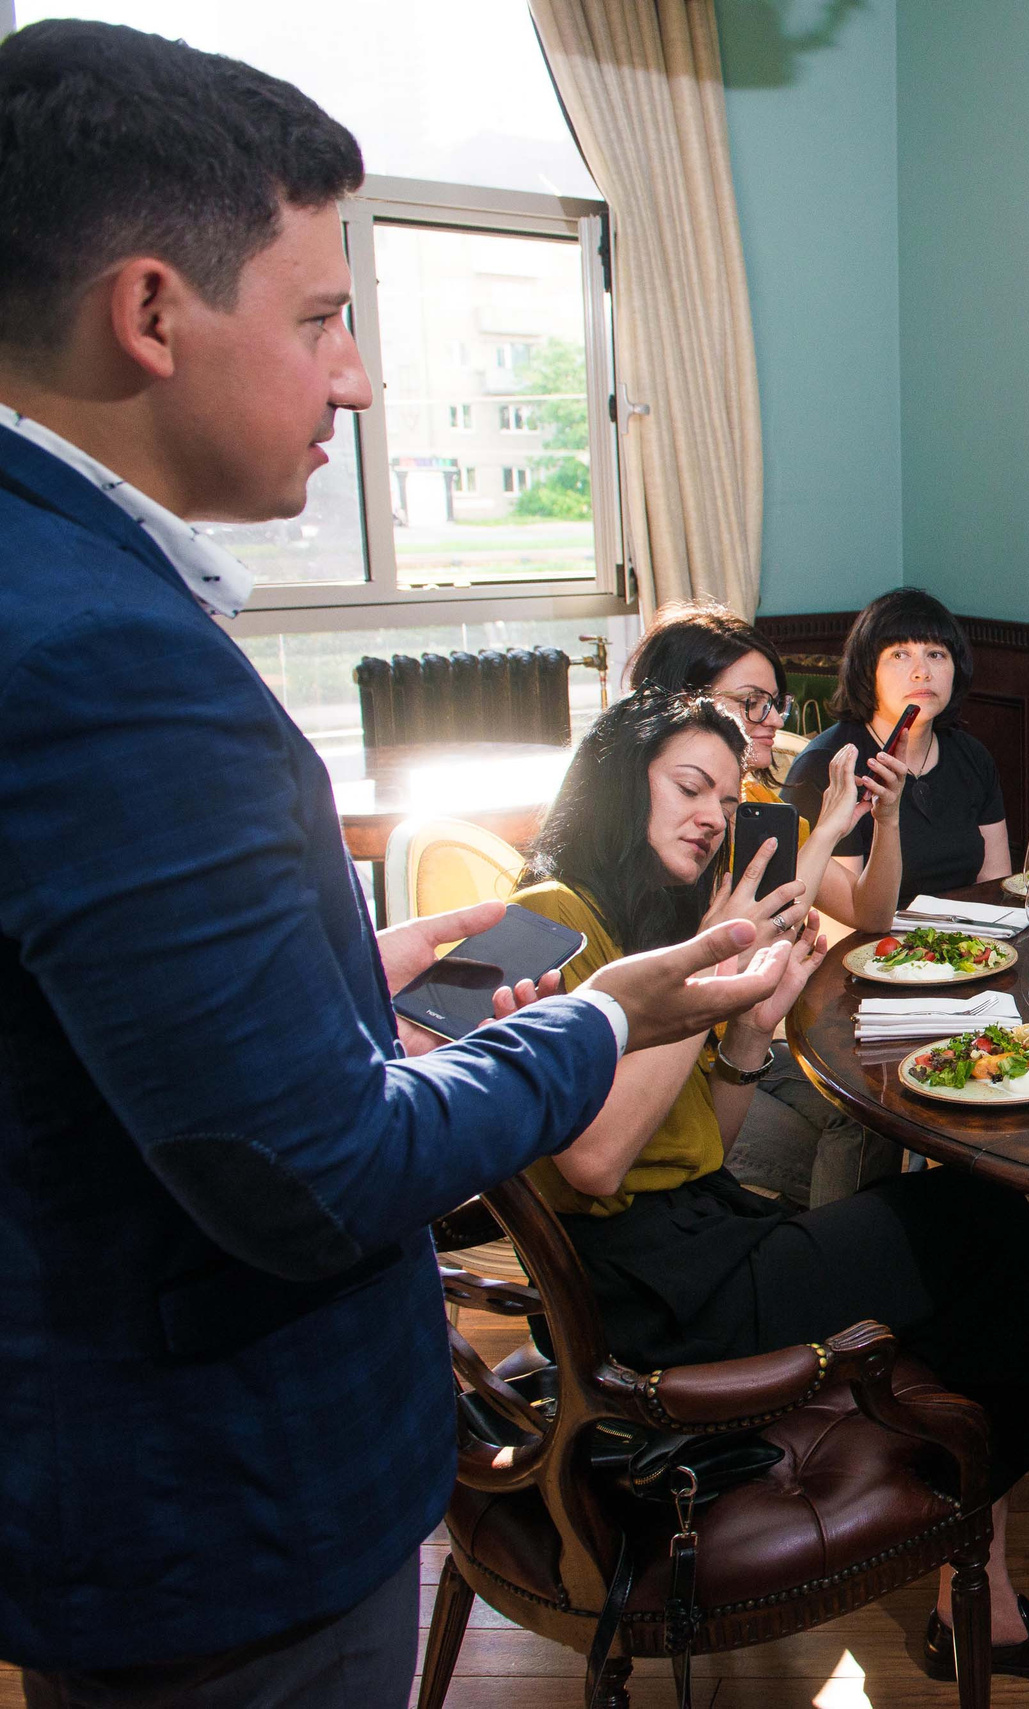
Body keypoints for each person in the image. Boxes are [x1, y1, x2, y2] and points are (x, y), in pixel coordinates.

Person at [0, 24, 786, 1701]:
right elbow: (314, 1173)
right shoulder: (105, 662)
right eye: (321, 313)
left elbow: (74, 1028)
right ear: (149, 312)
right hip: (218, 1501)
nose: (357, 374)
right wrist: (608, 1016)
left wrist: (334, 973)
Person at [514, 691, 1029, 1684]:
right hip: (651, 1299)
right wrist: (708, 964)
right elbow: (590, 1164)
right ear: (610, 780)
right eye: (688, 786)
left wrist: (748, 1037)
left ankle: (1001, 1550)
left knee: (969, 1229)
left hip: (694, 1239)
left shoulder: (637, 915)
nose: (712, 815)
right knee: (976, 1228)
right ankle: (1006, 1552)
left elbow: (696, 1149)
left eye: (724, 796)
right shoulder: (551, 915)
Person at [627, 601, 906, 1204]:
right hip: (655, 1071)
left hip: (731, 1043)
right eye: (749, 701)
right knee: (859, 1145)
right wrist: (828, 830)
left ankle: (833, 1258)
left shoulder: (753, 799)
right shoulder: (658, 820)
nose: (771, 718)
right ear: (679, 700)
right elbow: (757, 938)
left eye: (773, 702)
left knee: (873, 1109)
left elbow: (856, 913)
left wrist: (877, 819)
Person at [787, 588, 1010, 907]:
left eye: (936, 654)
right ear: (868, 670)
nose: (922, 672)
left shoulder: (972, 757)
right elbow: (844, 919)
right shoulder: (828, 764)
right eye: (899, 654)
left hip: (969, 945)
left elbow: (995, 887)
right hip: (872, 947)